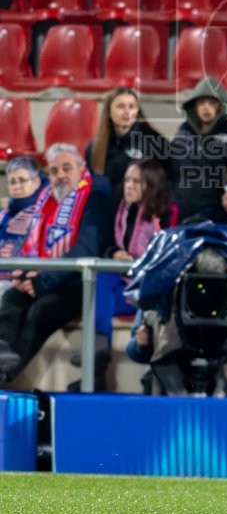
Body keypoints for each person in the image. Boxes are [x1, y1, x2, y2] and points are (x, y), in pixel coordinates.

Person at [0, 144, 114, 382]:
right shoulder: (47, 197)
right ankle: (2, 358)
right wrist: (24, 274)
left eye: (66, 168)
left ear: (81, 168)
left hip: (78, 282)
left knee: (41, 311)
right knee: (11, 299)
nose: (60, 175)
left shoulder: (95, 195)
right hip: (45, 277)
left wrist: (43, 279)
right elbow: (34, 243)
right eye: (53, 171)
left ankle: (6, 374)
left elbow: (87, 249)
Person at [70, 160, 178, 392]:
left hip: (150, 291)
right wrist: (115, 253)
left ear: (151, 184)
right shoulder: (122, 209)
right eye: (127, 180)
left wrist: (140, 263)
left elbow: (170, 258)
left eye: (136, 181)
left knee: (110, 291)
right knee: (103, 276)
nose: (128, 186)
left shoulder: (168, 213)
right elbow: (108, 246)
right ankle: (97, 356)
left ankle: (101, 367)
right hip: (123, 288)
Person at [170, 77, 227, 229]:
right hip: (182, 212)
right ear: (194, 106)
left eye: (212, 103)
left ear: (220, 106)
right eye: (201, 102)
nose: (206, 107)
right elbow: (172, 172)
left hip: (219, 215)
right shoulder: (181, 135)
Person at [84, 87, 169, 200]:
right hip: (106, 205)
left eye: (131, 107)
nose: (127, 112)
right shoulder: (94, 147)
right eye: (120, 107)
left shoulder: (155, 141)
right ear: (109, 111)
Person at [0, 157, 45, 295]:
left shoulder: (43, 212)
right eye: (12, 182)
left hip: (23, 282)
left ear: (36, 182)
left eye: (22, 180)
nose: (17, 186)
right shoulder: (3, 213)